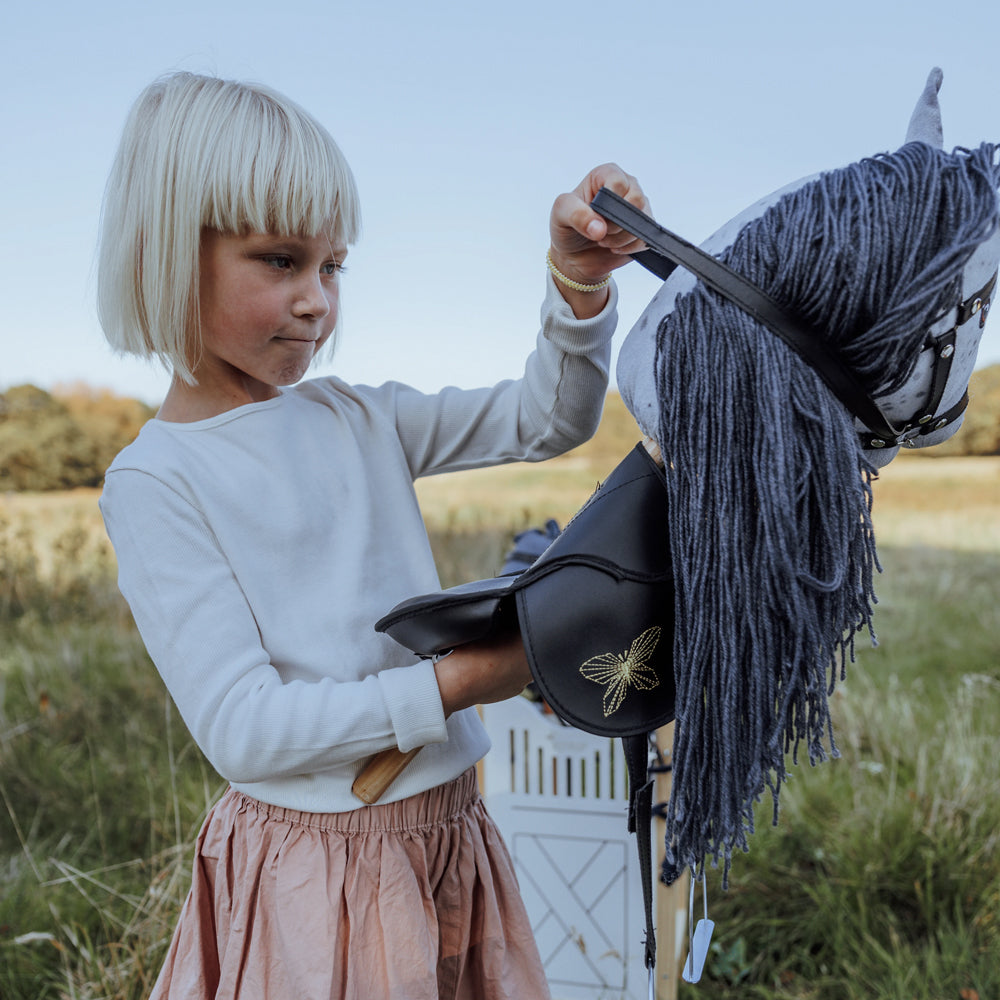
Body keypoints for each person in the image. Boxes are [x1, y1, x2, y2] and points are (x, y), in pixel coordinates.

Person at [97, 70, 648, 1000]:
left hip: (451, 834)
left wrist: (579, 284)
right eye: (281, 261)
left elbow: (547, 417)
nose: (318, 300)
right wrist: (458, 684)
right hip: (323, 875)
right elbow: (245, 729)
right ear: (167, 255)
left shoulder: (358, 417)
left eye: (333, 267)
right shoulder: (158, 479)